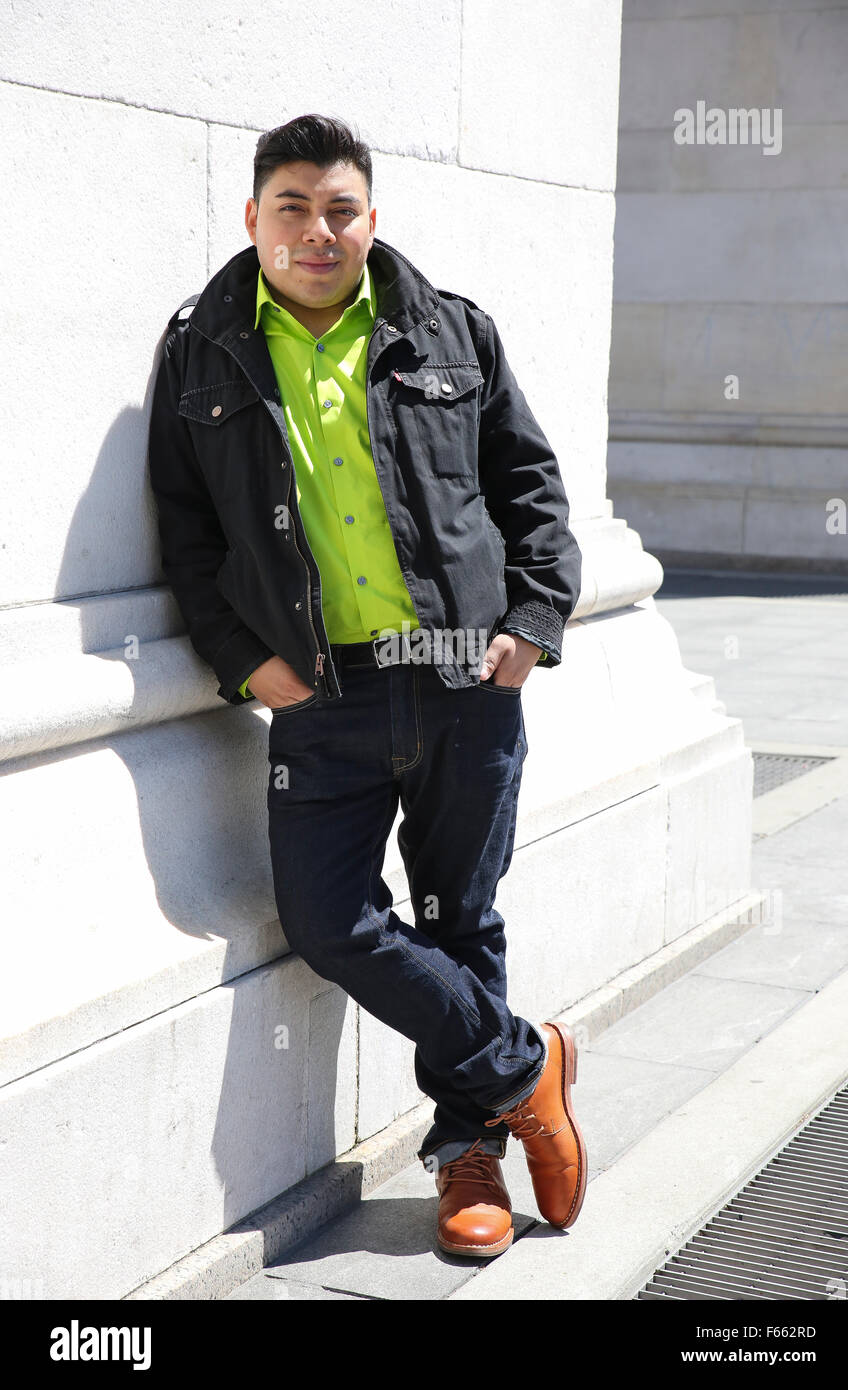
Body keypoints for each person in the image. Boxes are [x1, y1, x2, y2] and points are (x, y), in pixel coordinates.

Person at [148, 113, 587, 1259]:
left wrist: (532, 624)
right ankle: (525, 1066)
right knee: (330, 921)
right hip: (321, 700)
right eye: (291, 206)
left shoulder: (451, 329)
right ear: (252, 219)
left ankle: (467, 1154)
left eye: (339, 207)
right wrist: (251, 668)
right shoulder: (201, 349)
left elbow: (528, 485)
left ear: (370, 219)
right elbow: (187, 536)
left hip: (464, 684)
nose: (317, 229)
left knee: (458, 917)